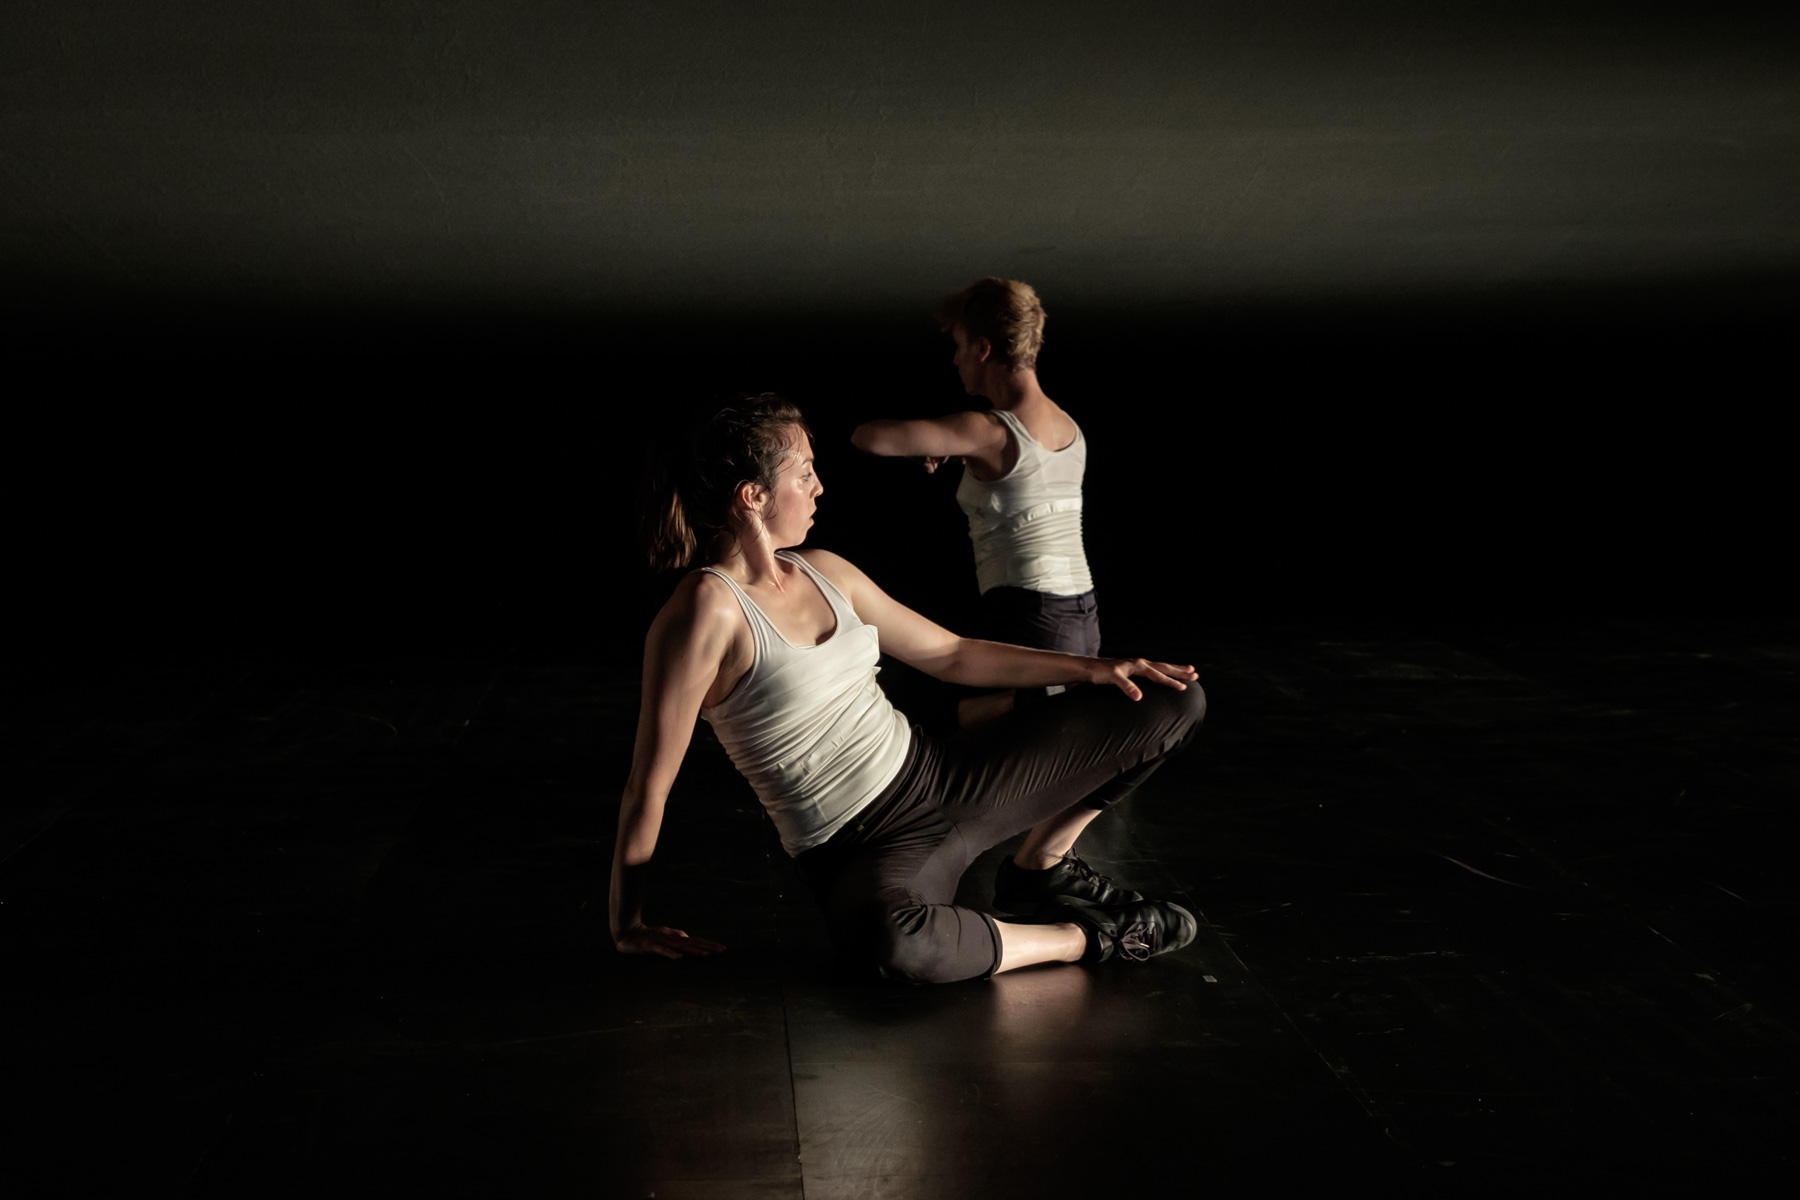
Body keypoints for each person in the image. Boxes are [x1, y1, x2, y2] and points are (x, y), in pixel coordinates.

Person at [615, 394, 1206, 984]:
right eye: (804, 474)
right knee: (893, 943)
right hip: (861, 850)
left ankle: (1042, 870)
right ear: (753, 496)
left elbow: (952, 654)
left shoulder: (824, 569)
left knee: (1172, 699)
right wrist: (628, 923)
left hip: (941, 778)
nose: (819, 487)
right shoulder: (705, 610)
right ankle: (1088, 938)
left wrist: (1093, 669)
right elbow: (650, 782)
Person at [850, 278, 1095, 728]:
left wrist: (937, 442)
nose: (955, 359)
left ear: (983, 348)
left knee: (964, 729)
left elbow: (870, 438)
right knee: (1026, 743)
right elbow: (1024, 480)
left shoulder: (987, 431)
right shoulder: (1068, 427)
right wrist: (962, 448)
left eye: (960, 346)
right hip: (1078, 615)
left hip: (1030, 616)